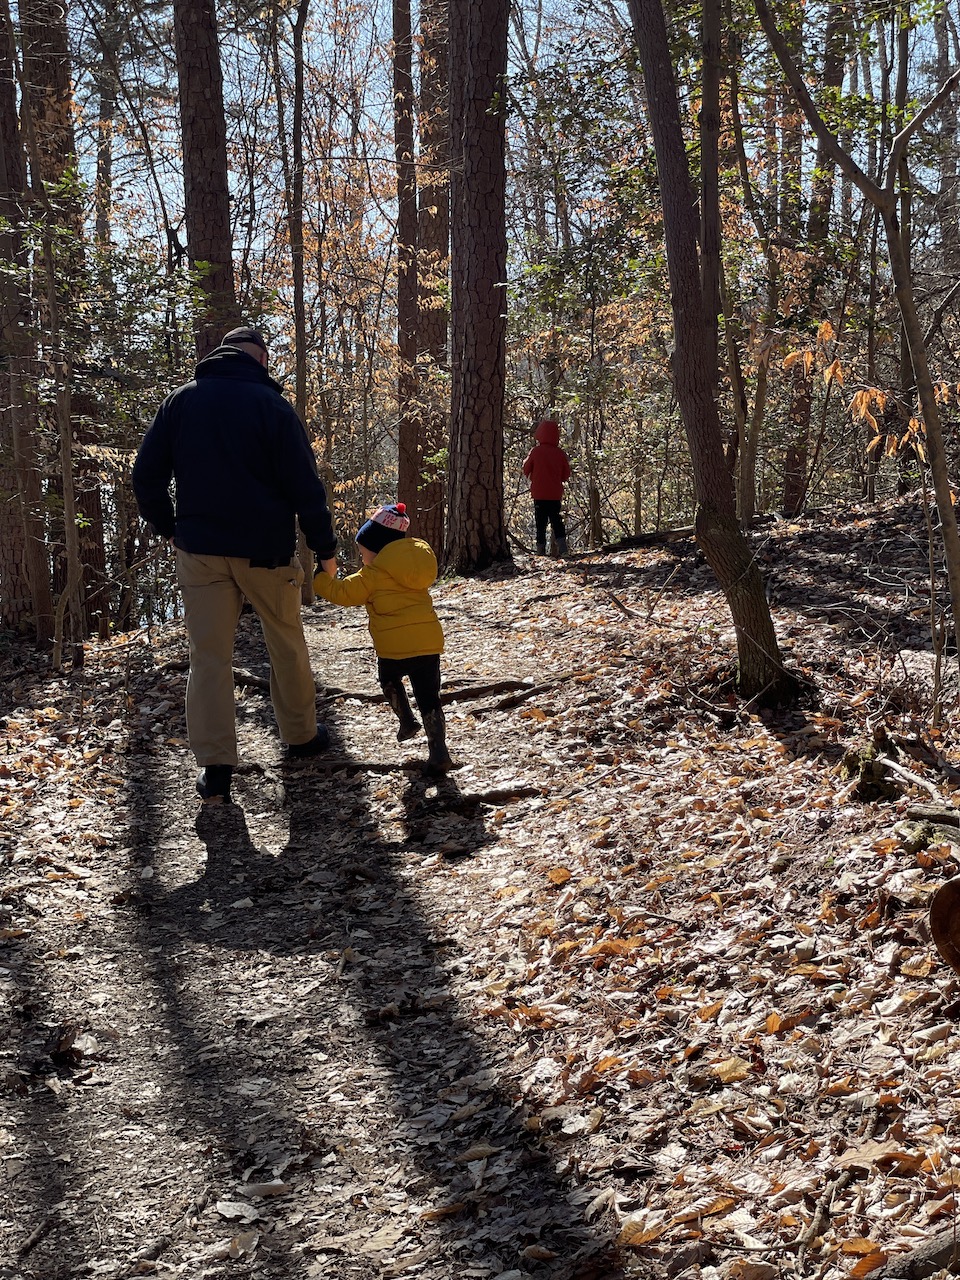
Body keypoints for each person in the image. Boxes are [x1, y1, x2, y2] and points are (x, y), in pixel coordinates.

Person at [132, 325, 338, 804]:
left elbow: (146, 475)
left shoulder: (181, 401)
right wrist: (325, 550)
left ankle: (217, 768)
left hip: (200, 551)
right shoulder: (272, 406)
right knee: (285, 642)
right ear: (259, 359)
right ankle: (301, 737)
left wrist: (171, 528)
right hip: (266, 551)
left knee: (209, 657)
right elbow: (306, 488)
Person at [313, 502, 453, 773]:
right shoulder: (418, 568)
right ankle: (439, 751)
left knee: (388, 680)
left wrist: (320, 579)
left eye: (363, 551)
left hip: (394, 650)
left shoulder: (372, 576)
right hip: (428, 646)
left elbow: (342, 593)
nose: (362, 557)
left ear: (376, 549)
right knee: (430, 699)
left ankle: (406, 720)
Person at [522, 417, 571, 556]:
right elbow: (566, 474)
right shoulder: (559, 453)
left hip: (539, 494)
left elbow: (526, 469)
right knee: (557, 521)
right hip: (555, 494)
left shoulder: (535, 452)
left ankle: (540, 551)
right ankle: (563, 550)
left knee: (540, 523)